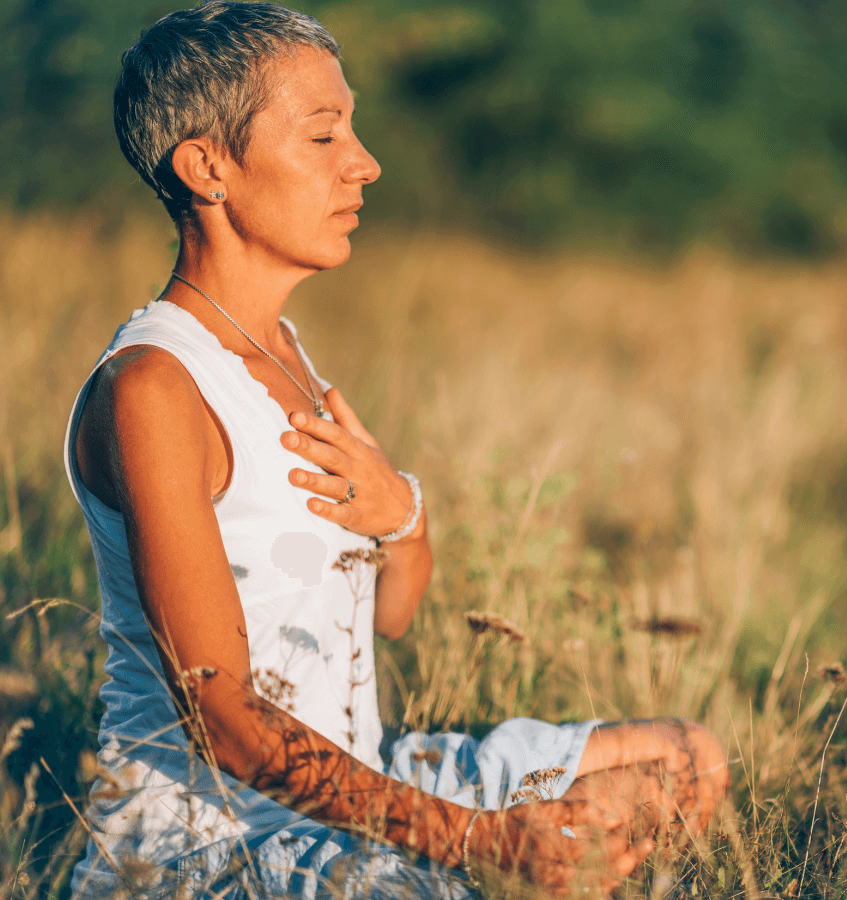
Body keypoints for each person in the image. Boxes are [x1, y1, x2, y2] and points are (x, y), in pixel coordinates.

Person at [64, 2, 729, 898]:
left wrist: (404, 516)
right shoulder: (152, 387)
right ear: (208, 167)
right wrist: (477, 841)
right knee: (489, 877)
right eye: (324, 133)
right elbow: (221, 717)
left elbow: (394, 614)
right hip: (210, 847)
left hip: (360, 778)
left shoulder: (285, 351)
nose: (365, 163)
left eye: (356, 128)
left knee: (686, 759)